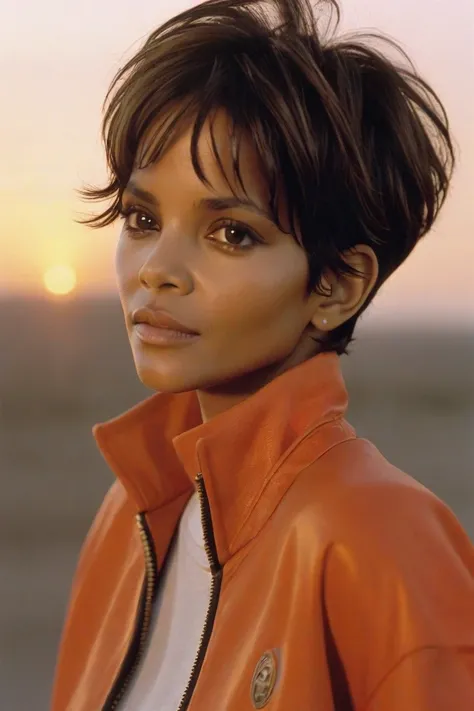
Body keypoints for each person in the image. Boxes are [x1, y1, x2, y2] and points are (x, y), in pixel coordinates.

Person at [51, 0, 474, 709]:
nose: (158, 267)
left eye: (232, 234)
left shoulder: (383, 541)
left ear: (337, 286)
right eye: (142, 217)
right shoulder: (129, 515)